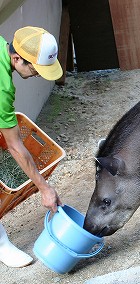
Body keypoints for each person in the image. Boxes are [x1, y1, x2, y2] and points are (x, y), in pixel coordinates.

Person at [0, 26, 63, 268]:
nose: (38, 74)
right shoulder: (3, 89)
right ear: (17, 58)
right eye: (36, 69)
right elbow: (15, 147)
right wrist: (44, 188)